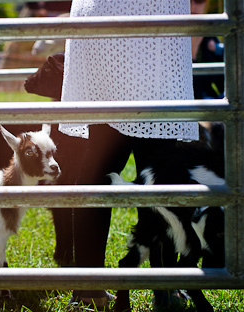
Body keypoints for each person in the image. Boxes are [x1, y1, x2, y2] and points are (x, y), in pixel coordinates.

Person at [59, 0, 197, 310]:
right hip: (147, 21)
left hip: (105, 18)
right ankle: (164, 287)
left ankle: (88, 287)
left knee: (101, 166)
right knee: (158, 170)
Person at [191, 0, 224, 99]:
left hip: (209, 108)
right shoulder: (165, 42)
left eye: (199, 0)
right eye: (184, 1)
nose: (192, 5)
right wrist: (192, 54)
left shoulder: (209, 37)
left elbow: (226, 83)